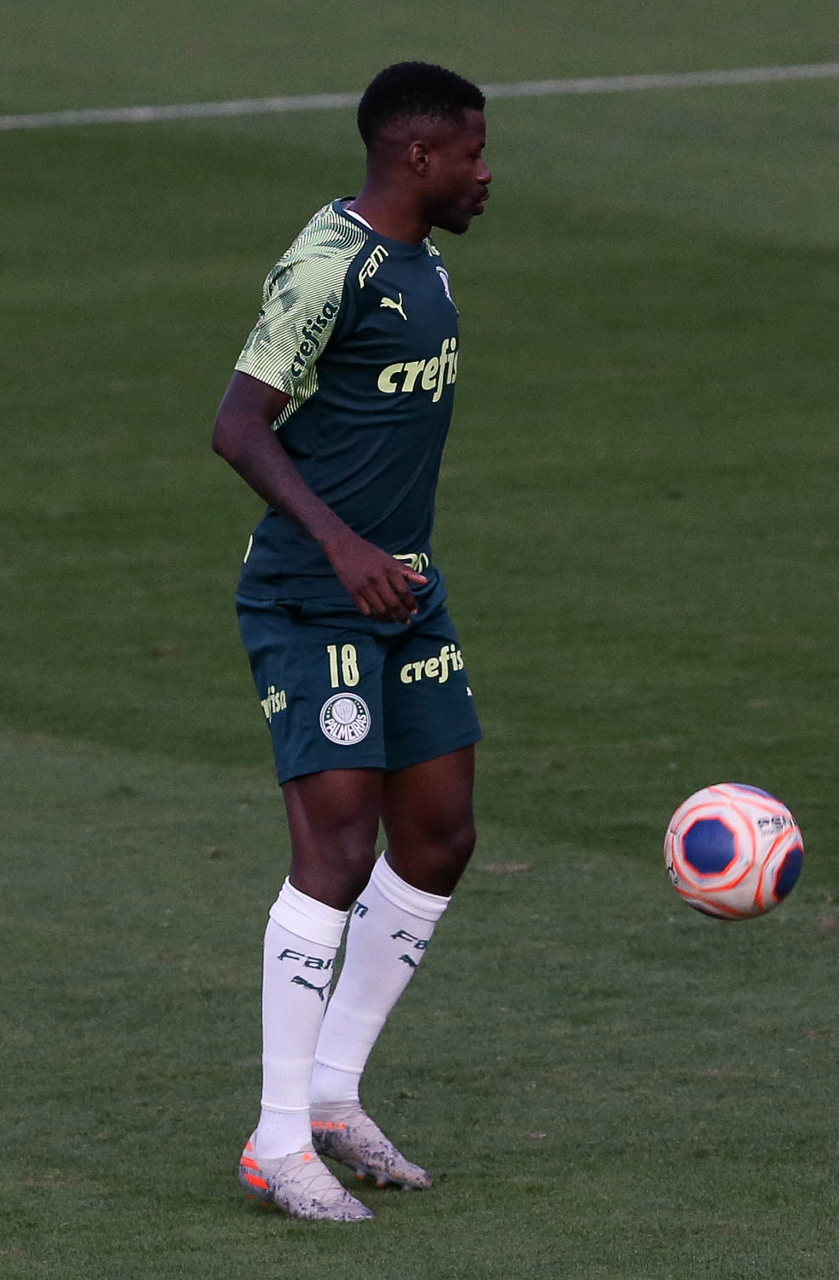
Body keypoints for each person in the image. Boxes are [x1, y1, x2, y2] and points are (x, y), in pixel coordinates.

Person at [212, 61, 492, 1222]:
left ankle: (332, 1094)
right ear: (418, 156)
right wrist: (338, 547)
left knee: (437, 834)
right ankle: (278, 1141)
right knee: (334, 849)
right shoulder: (331, 263)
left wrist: (381, 560)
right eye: (471, 152)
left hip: (403, 591)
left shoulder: (425, 262)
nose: (485, 173)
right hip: (313, 594)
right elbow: (237, 425)